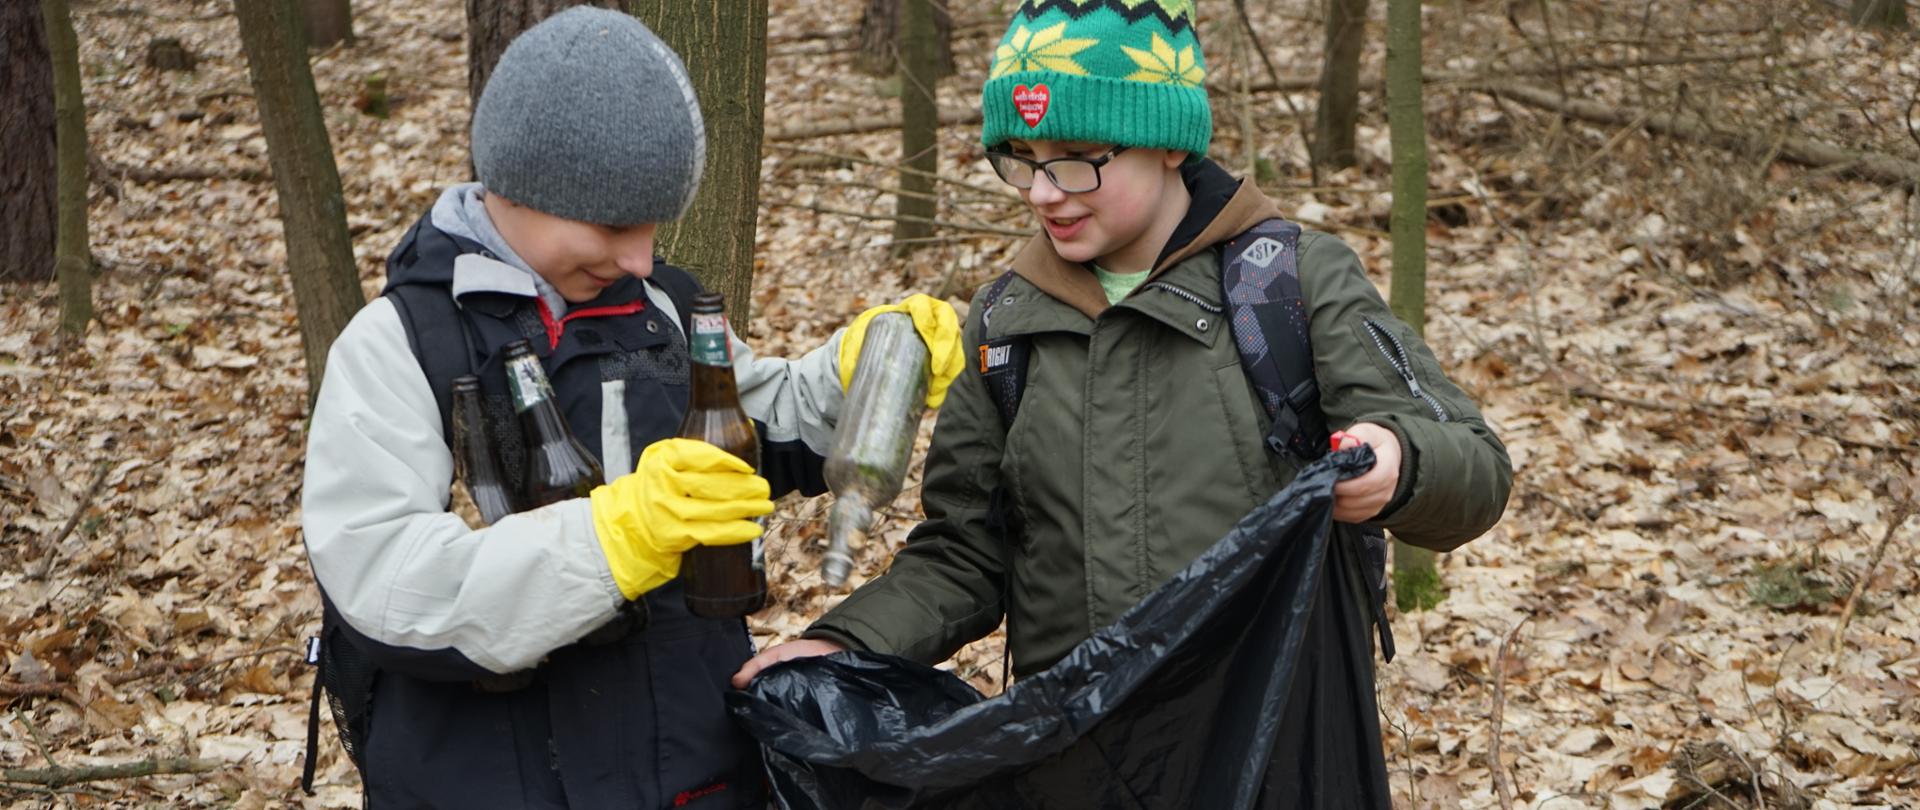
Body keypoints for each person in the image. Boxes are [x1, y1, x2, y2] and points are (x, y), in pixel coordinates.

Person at [734, 0, 1512, 804]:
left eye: (1076, 158)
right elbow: (965, 553)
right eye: (1022, 158)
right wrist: (843, 642)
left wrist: (1400, 462)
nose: (1043, 191)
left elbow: (1476, 469)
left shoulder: (1287, 286)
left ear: (1170, 143)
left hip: (1267, 758)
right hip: (1078, 768)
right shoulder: (1006, 323)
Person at [300, 8, 961, 808]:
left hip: (689, 772)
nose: (641, 257)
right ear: (521, 183)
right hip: (482, 779)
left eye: (653, 225)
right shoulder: (400, 343)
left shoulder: (664, 309)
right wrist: (611, 541)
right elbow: (384, 585)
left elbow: (765, 427)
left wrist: (856, 381)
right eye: (615, 224)